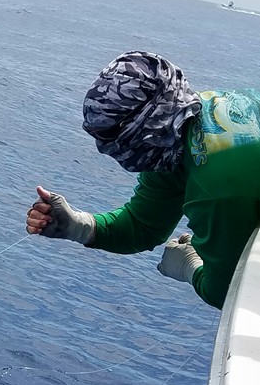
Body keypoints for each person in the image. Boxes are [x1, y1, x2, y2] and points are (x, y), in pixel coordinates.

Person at [26, 51, 260, 309]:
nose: (107, 149)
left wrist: (189, 266)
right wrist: (77, 226)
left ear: (145, 127)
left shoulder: (218, 187)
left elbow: (229, 292)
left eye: (112, 138)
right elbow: (143, 225)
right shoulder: (181, 126)